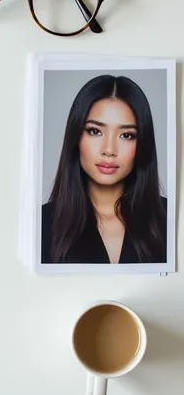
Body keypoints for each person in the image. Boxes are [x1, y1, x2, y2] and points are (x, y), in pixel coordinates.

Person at [41, 75, 167, 264]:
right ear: (76, 136)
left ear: (142, 143)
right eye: (95, 131)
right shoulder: (39, 224)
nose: (109, 150)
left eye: (126, 135)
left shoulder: (172, 219)